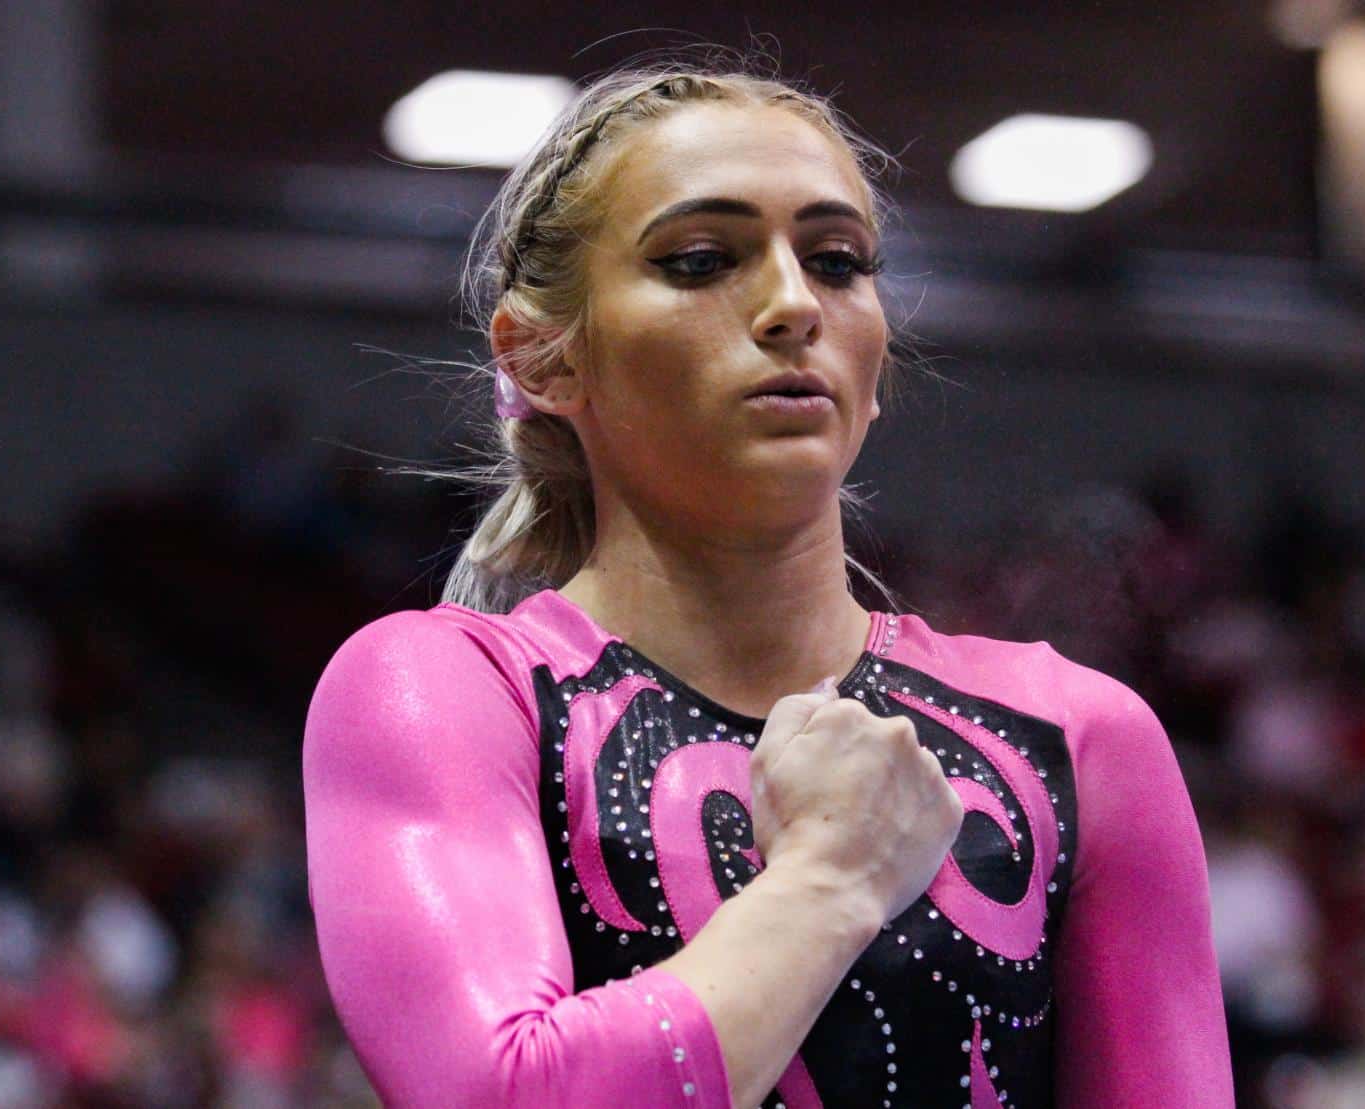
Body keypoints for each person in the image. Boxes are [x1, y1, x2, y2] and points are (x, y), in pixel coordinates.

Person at [302, 59, 1234, 1108]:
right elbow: (497, 1093)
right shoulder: (451, 692)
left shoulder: (1074, 736)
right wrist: (829, 877)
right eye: (701, 260)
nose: (793, 303)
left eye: (837, 261)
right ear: (543, 359)